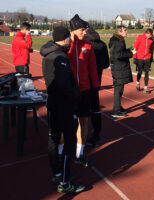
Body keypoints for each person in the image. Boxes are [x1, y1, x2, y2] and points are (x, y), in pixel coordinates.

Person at [40, 26, 85, 193]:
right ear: (66, 38)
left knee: (53, 138)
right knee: (69, 142)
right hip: (64, 106)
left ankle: (57, 173)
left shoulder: (48, 54)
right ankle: (65, 182)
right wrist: (77, 96)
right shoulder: (60, 57)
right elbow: (63, 84)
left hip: (52, 103)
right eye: (69, 38)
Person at [68, 14, 99, 166]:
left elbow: (92, 69)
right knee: (67, 123)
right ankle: (63, 151)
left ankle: (79, 153)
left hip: (85, 89)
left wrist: (95, 87)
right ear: (73, 30)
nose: (85, 33)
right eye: (82, 30)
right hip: (69, 91)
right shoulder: (67, 45)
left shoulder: (87, 46)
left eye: (85, 30)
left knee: (84, 121)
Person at [84, 27, 110, 147]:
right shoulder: (102, 44)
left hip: (83, 81)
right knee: (95, 108)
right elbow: (106, 64)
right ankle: (96, 135)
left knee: (81, 110)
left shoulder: (83, 43)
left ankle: (80, 138)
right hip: (96, 80)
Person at [109, 25, 135, 117]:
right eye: (124, 30)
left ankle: (118, 107)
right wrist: (131, 53)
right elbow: (118, 55)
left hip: (118, 67)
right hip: (119, 68)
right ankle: (116, 111)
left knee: (119, 89)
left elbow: (120, 52)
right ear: (119, 32)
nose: (126, 32)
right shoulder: (118, 41)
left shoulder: (116, 40)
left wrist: (129, 50)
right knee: (118, 89)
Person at [133, 29, 154, 94]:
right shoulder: (140, 37)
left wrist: (151, 57)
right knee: (139, 72)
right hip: (140, 58)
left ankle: (145, 87)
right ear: (147, 33)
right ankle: (137, 82)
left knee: (147, 73)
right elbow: (135, 47)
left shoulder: (151, 40)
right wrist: (134, 57)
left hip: (147, 58)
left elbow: (151, 49)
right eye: (151, 35)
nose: (151, 36)